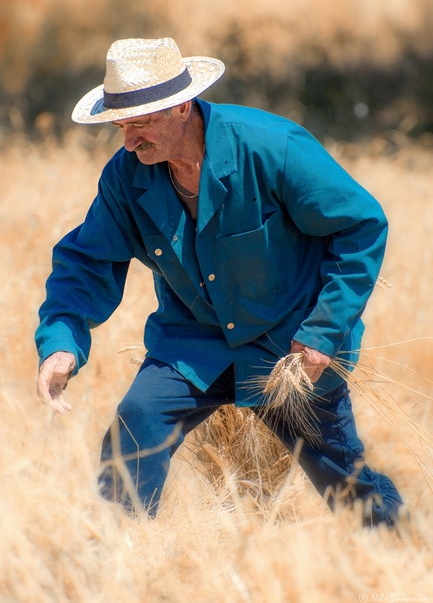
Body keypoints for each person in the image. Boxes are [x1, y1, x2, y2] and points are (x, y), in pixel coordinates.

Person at [36, 37, 404, 525]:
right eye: (120, 125)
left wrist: (321, 335)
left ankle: (401, 557)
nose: (128, 141)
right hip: (193, 343)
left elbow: (360, 225)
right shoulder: (127, 175)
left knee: (344, 482)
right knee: (137, 426)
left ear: (181, 106)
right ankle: (111, 567)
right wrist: (61, 341)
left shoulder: (273, 148)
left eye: (140, 124)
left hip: (290, 346)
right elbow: (86, 262)